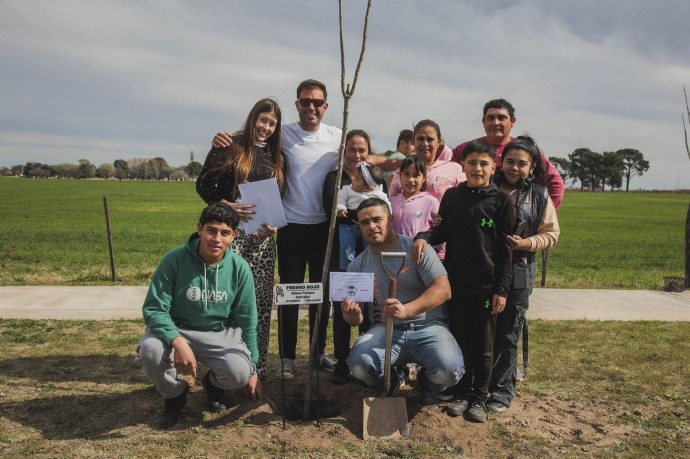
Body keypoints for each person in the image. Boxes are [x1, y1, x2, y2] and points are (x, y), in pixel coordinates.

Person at [212, 79, 338, 380]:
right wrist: (223, 139)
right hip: (290, 229)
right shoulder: (283, 135)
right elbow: (252, 139)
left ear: (325, 106)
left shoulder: (338, 136)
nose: (311, 107)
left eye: (317, 102)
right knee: (289, 296)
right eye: (305, 101)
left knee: (321, 296)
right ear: (297, 104)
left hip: (324, 229)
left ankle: (318, 353)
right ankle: (287, 359)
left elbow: (364, 156)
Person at [413, 139, 515, 423]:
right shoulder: (452, 197)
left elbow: (506, 252)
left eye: (483, 163)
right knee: (458, 339)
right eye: (471, 163)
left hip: (486, 286)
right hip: (454, 284)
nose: (477, 168)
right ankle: (459, 391)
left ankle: (479, 396)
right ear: (463, 166)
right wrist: (423, 237)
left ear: (493, 167)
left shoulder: (501, 202)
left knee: (483, 345)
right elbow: (442, 233)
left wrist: (502, 290)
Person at [136, 203, 261, 428]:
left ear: (234, 235)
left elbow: (247, 320)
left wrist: (252, 368)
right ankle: (174, 396)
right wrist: (177, 340)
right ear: (200, 228)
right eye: (211, 230)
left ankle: (214, 386)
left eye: (225, 233)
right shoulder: (174, 260)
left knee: (240, 372)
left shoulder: (240, 268)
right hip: (177, 328)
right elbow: (154, 309)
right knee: (150, 351)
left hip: (218, 332)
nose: (216, 239)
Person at [342, 198, 464, 411]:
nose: (372, 226)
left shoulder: (416, 249)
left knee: (449, 370)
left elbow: (443, 289)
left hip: (429, 326)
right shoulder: (357, 265)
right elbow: (357, 318)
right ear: (359, 227)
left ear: (390, 220)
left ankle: (428, 384)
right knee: (359, 366)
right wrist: (352, 315)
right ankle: (391, 381)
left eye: (377, 219)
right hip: (386, 329)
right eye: (365, 222)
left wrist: (407, 310)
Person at [196, 98, 284, 381]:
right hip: (231, 238)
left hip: (261, 242)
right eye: (262, 120)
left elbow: (278, 200)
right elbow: (203, 186)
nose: (266, 127)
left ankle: (256, 367)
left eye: (272, 123)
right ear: (252, 118)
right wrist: (228, 206)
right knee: (226, 303)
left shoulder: (276, 156)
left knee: (258, 304)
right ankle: (221, 371)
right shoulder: (229, 145)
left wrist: (273, 227)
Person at [488, 136, 560, 413]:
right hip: (485, 269)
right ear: (501, 162)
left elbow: (550, 234)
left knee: (508, 331)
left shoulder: (540, 196)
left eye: (522, 163)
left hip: (519, 269)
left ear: (532, 168)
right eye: (510, 161)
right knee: (483, 329)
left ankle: (503, 390)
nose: (514, 168)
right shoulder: (485, 187)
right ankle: (478, 384)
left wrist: (526, 244)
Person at [322, 129, 374, 385]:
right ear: (344, 152)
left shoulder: (376, 177)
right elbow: (330, 206)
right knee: (342, 306)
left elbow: (380, 210)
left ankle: (365, 357)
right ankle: (341, 360)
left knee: (368, 306)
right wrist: (362, 213)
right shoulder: (334, 178)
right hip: (341, 259)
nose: (356, 155)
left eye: (361, 149)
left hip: (370, 255)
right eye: (351, 149)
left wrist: (355, 213)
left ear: (369, 152)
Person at [450, 98, 565, 209]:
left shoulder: (525, 150)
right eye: (490, 118)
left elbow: (555, 183)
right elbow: (442, 173)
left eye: (502, 118)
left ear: (512, 121)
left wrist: (540, 215)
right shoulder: (466, 149)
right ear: (483, 122)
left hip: (517, 223)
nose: (495, 123)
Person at [388, 120, 465, 202]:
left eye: (430, 139)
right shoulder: (403, 168)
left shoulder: (455, 169)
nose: (425, 144)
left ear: (439, 142)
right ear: (414, 141)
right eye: (420, 139)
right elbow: (392, 202)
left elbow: (464, 201)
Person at [336, 163, 390, 269]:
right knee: (347, 247)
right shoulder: (347, 189)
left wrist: (387, 216)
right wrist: (341, 208)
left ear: (368, 187)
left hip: (369, 227)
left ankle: (371, 266)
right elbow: (340, 198)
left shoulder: (379, 194)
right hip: (349, 227)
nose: (352, 180)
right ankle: (347, 267)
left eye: (356, 179)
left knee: (371, 247)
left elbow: (386, 205)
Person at [389, 155, 439, 238]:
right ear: (400, 176)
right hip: (395, 250)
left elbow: (439, 232)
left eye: (416, 175)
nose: (410, 180)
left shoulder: (430, 202)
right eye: (406, 174)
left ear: (424, 178)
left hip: (419, 250)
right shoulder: (391, 202)